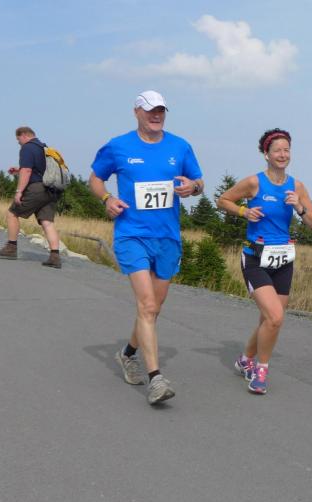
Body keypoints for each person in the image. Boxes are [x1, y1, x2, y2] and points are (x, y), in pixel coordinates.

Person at [88, 90, 204, 405]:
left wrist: (192, 187)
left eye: (161, 110)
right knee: (147, 305)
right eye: (151, 110)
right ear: (136, 111)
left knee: (154, 307)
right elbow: (95, 179)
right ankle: (156, 379)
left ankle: (128, 353)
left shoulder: (180, 146)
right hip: (132, 234)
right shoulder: (118, 146)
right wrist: (107, 198)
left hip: (167, 237)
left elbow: (199, 182)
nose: (156, 115)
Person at [216, 128, 312, 395]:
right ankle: (260, 370)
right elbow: (223, 200)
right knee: (275, 317)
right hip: (255, 258)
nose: (283, 155)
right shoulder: (254, 182)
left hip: (283, 260)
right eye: (277, 150)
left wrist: (299, 207)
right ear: (266, 154)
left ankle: (245, 359)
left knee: (269, 318)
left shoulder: (297, 186)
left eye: (287, 150)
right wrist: (244, 211)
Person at [0, 127, 62, 268]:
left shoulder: (27, 148)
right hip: (51, 190)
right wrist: (18, 170)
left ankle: (11, 248)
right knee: (47, 222)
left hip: (37, 188)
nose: (18, 142)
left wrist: (19, 191)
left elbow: (27, 170)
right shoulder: (45, 148)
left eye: (18, 139)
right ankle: (55, 257)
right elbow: (39, 170)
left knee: (12, 213)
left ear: (24, 135)